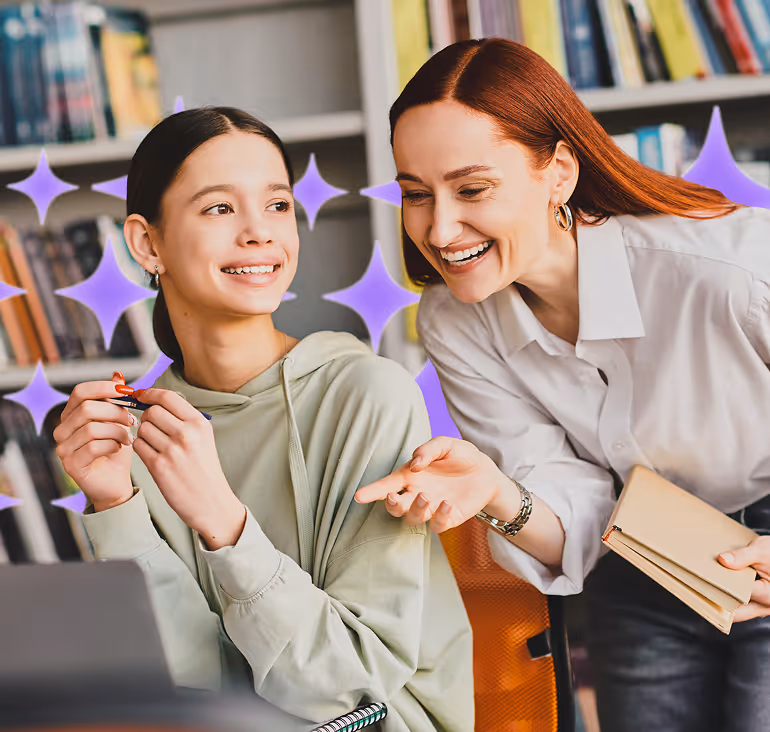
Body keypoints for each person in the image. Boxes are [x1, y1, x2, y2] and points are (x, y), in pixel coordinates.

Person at [354, 39, 770, 732]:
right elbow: (575, 511)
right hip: (640, 554)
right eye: (416, 194)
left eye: (472, 189)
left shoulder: (729, 269)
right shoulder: (456, 320)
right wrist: (493, 491)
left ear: (559, 173)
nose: (439, 228)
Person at [52, 107, 474, 732]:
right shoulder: (130, 436)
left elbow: (345, 685)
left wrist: (222, 522)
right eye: (220, 208)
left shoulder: (366, 395)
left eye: (277, 205)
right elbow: (189, 687)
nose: (260, 233)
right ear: (147, 243)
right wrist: (115, 504)